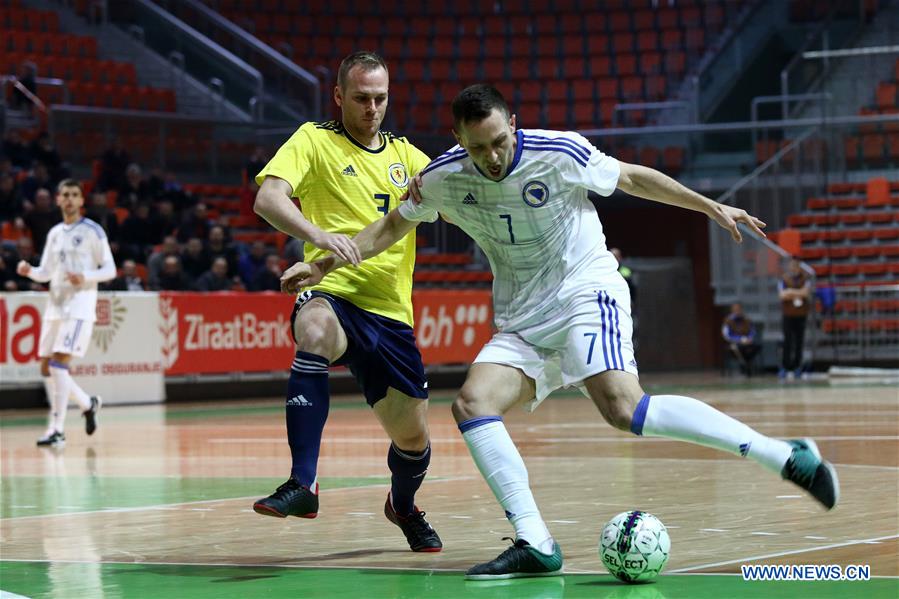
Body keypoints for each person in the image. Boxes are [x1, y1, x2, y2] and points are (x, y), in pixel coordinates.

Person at [281, 84, 840, 578]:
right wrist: (324, 265)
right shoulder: (443, 177)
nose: (492, 157)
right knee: (473, 404)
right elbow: (391, 227)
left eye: (499, 141)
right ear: (457, 141)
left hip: (583, 291)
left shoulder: (559, 152)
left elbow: (632, 178)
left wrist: (707, 205)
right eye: (477, 148)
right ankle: (535, 541)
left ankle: (781, 454)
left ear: (513, 125)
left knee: (624, 409)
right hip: (522, 315)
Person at [251, 51, 442, 553]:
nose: (372, 108)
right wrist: (320, 238)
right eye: (361, 98)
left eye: (380, 98)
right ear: (338, 96)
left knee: (413, 442)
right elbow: (267, 199)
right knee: (311, 328)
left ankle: (403, 506)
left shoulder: (409, 157)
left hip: (392, 314)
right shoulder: (313, 139)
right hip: (332, 291)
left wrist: (444, 186)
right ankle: (304, 484)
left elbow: (455, 192)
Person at [16, 179, 115, 447]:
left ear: (82, 201)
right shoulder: (55, 233)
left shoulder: (93, 231)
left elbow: (110, 270)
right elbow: (46, 273)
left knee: (59, 364)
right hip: (55, 307)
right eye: (65, 195)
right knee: (47, 368)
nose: (70, 199)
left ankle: (56, 429)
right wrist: (30, 272)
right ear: (58, 200)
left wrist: (85, 276)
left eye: (75, 195)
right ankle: (87, 403)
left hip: (80, 307)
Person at [779, 258, 812, 380]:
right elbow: (782, 295)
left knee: (799, 342)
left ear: (799, 267)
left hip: (801, 314)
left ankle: (797, 367)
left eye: (796, 266)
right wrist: (798, 292)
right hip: (788, 315)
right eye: (792, 266)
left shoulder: (805, 278)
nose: (794, 268)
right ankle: (785, 367)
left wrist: (790, 291)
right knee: (787, 342)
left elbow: (806, 293)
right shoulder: (784, 279)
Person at [722, 302, 760, 376]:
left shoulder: (746, 319)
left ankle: (746, 365)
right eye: (735, 309)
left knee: (753, 347)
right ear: (732, 310)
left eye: (739, 309)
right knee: (738, 348)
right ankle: (745, 365)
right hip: (734, 343)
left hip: (747, 343)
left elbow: (752, 331)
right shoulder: (728, 321)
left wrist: (748, 339)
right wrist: (740, 339)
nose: (737, 311)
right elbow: (726, 335)